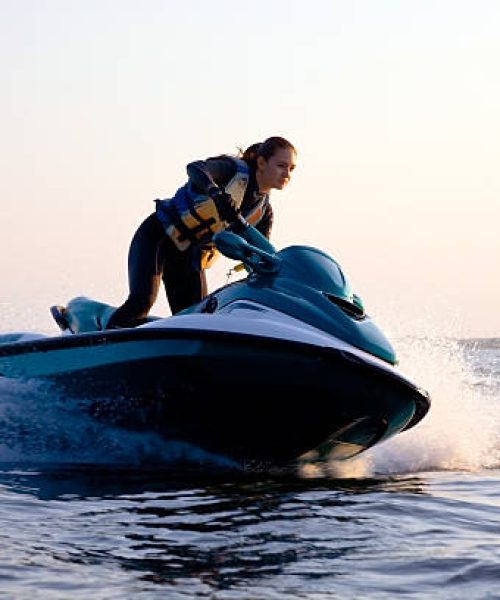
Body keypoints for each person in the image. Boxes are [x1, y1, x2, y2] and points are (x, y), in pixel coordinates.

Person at [105, 136, 297, 329]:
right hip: (158, 237)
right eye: (281, 165)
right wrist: (214, 192)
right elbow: (195, 168)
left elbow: (260, 256)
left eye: (291, 168)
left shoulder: (263, 212)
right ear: (262, 163)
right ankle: (100, 346)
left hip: (189, 258)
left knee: (197, 322)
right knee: (141, 302)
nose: (287, 173)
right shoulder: (232, 170)